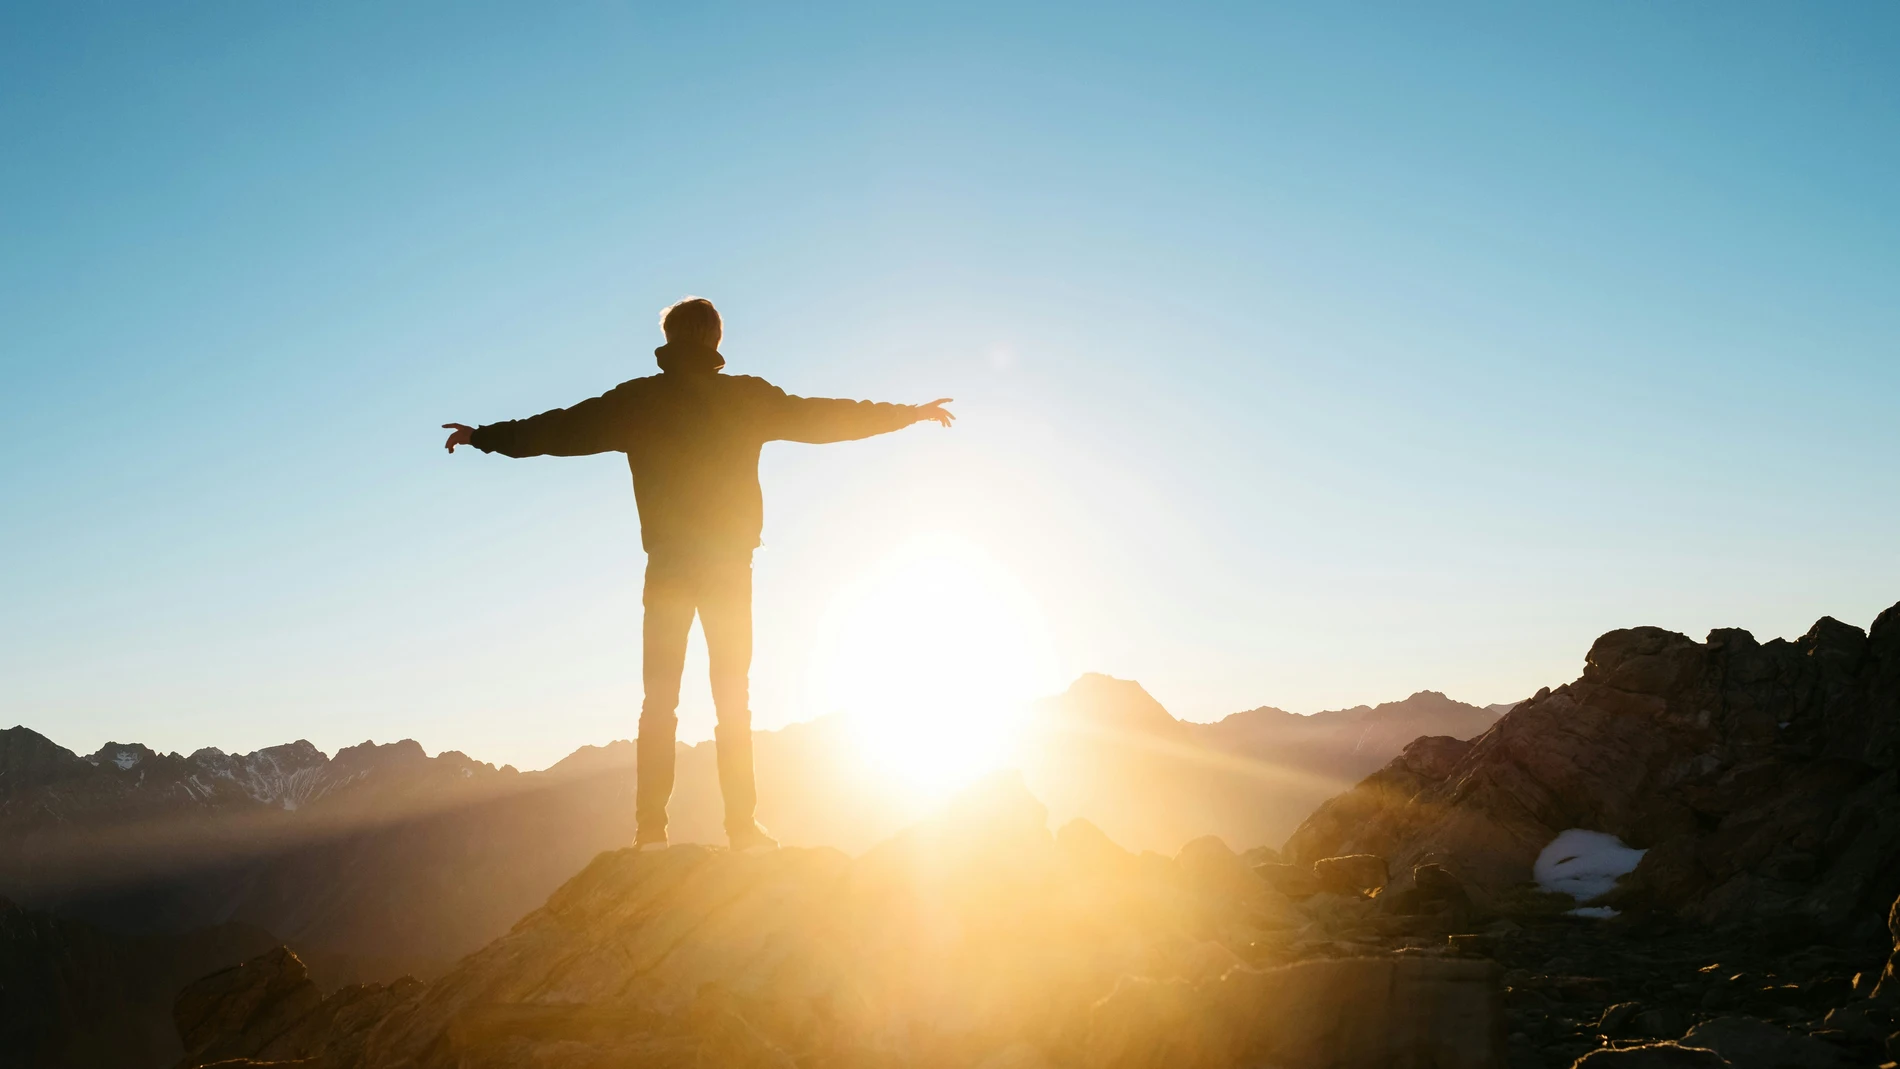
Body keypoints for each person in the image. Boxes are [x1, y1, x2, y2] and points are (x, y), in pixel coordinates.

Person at [443, 297, 953, 852]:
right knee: (733, 697)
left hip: (668, 567)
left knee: (659, 700)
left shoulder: (639, 401)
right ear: (714, 339)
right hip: (730, 567)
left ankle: (649, 833)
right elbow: (828, 417)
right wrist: (909, 413)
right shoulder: (745, 398)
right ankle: (742, 830)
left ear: (668, 337)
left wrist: (484, 436)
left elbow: (559, 429)